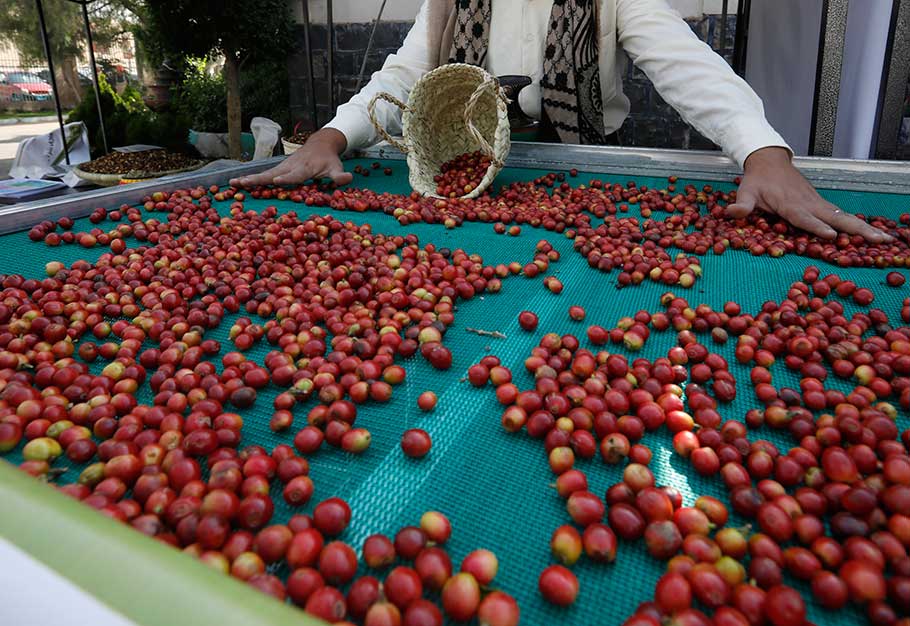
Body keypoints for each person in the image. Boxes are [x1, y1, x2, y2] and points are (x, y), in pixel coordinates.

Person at [232, 0, 891, 243]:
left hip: (585, 179)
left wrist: (763, 153)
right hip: (475, 183)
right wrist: (328, 137)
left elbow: (691, 67)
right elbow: (403, 77)